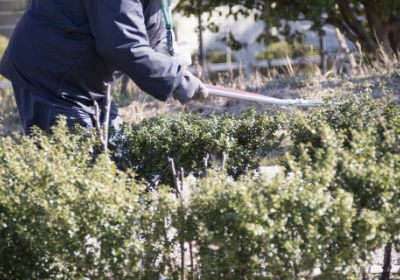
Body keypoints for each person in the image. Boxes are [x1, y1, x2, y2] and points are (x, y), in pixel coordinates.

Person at [0, 0, 208, 135]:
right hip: (49, 76)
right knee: (77, 169)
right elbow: (123, 44)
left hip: (83, 80)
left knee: (116, 155)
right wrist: (175, 79)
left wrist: (169, 61)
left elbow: (150, 28)